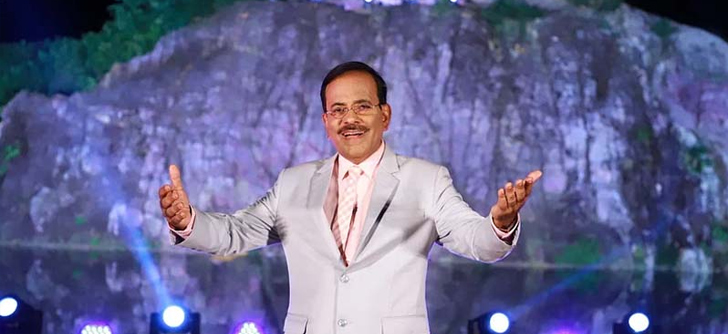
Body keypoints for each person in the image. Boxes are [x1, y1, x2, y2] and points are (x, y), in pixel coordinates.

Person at [158, 61, 542, 334]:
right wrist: (186, 221)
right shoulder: (293, 182)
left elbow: (477, 242)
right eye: (338, 110)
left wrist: (501, 222)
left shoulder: (426, 179)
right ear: (326, 122)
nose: (350, 119)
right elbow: (234, 233)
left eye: (362, 107)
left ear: (384, 115)